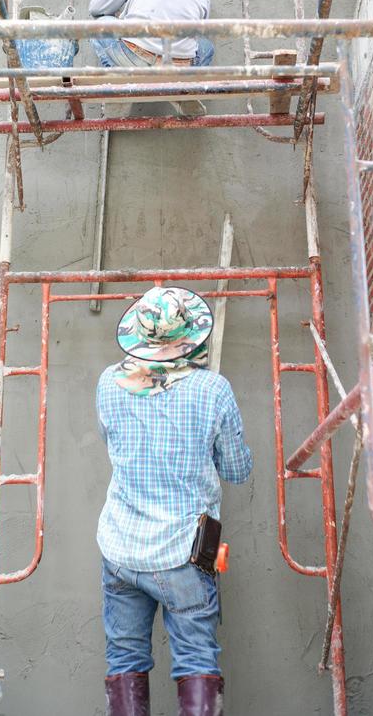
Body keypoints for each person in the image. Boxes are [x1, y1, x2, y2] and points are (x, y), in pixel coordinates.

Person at [96, 286, 252, 716]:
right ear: (189, 334)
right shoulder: (213, 389)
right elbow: (238, 470)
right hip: (184, 551)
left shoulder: (109, 384)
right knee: (197, 660)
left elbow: (113, 444)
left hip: (121, 549)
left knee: (125, 660)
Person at [88, 0, 215, 117]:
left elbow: (96, 8)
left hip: (135, 57)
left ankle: (121, 87)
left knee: (99, 24)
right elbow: (197, 36)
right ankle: (180, 89)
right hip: (180, 68)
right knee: (206, 46)